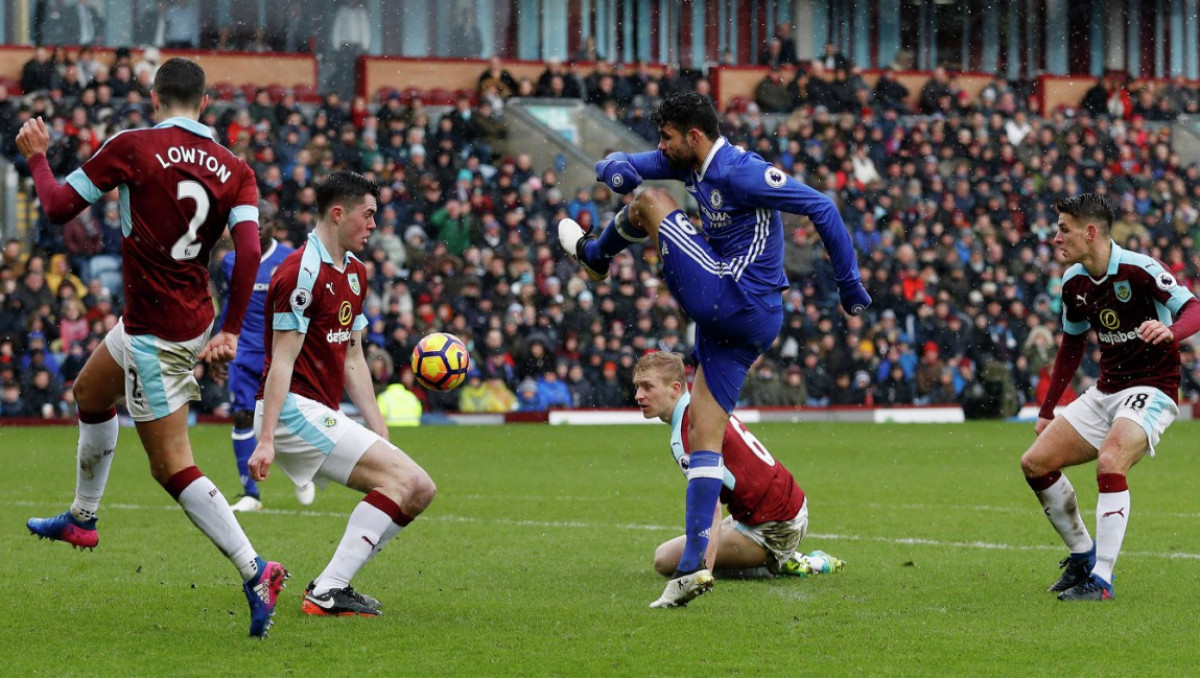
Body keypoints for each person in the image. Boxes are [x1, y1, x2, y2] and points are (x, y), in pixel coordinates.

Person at [558, 91, 869, 608]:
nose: (662, 146)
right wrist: (611, 165)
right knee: (705, 430)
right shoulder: (689, 160)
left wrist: (849, 284)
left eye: (668, 137)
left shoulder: (741, 171)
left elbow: (821, 205)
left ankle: (595, 255)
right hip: (738, 322)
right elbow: (631, 163)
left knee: (652, 203)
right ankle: (689, 573)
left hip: (737, 296)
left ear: (695, 137)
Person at [19, 57, 288, 637]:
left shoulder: (135, 145)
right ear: (206, 102)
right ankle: (83, 518)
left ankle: (256, 568)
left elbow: (58, 206)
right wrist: (233, 329)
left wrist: (38, 158)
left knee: (171, 466)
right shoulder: (236, 169)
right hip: (184, 318)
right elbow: (246, 252)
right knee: (89, 392)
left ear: (154, 93)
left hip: (154, 334)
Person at [249, 171, 437, 617]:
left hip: (316, 411)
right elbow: (281, 361)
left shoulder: (355, 272)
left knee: (419, 489)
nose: (374, 225)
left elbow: (353, 357)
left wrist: (378, 426)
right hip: (292, 411)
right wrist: (267, 439)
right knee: (405, 482)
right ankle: (328, 589)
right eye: (367, 215)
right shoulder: (299, 272)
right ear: (338, 213)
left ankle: (332, 587)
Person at [1019, 193, 1200, 601]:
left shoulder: (1140, 269)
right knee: (1035, 462)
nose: (1055, 237)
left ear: (1090, 231)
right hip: (1106, 390)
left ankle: (1101, 581)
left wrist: (1171, 332)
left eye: (1063, 229)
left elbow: (1193, 308)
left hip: (1152, 388)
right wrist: (1048, 410)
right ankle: (1083, 555)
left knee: (1110, 460)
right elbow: (1071, 346)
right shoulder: (1074, 282)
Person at [633, 351, 843, 607]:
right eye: (637, 387)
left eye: (647, 387)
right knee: (668, 554)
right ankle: (782, 558)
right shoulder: (704, 407)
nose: (638, 396)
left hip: (773, 526)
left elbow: (711, 509)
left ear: (675, 388)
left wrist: (699, 574)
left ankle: (787, 561)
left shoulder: (688, 432)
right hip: (781, 509)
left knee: (665, 561)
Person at [218, 214, 318, 512]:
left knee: (287, 417)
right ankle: (251, 494)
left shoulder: (292, 258)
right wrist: (222, 339)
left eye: (264, 223)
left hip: (281, 351)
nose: (258, 228)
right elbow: (230, 302)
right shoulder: (230, 261)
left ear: (276, 226)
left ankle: (301, 473)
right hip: (244, 351)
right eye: (252, 222)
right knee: (243, 416)